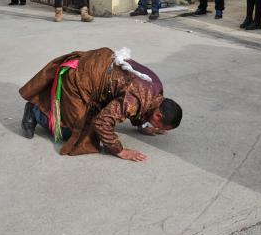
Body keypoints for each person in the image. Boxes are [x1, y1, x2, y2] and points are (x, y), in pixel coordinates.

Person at [19, 47, 182, 161]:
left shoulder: (157, 89)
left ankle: (56, 109)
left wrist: (142, 125)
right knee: (78, 135)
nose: (157, 128)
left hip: (100, 62)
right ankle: (35, 111)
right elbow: (102, 122)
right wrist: (120, 150)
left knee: (87, 124)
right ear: (158, 114)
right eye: (159, 125)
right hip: (80, 78)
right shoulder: (136, 99)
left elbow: (141, 105)